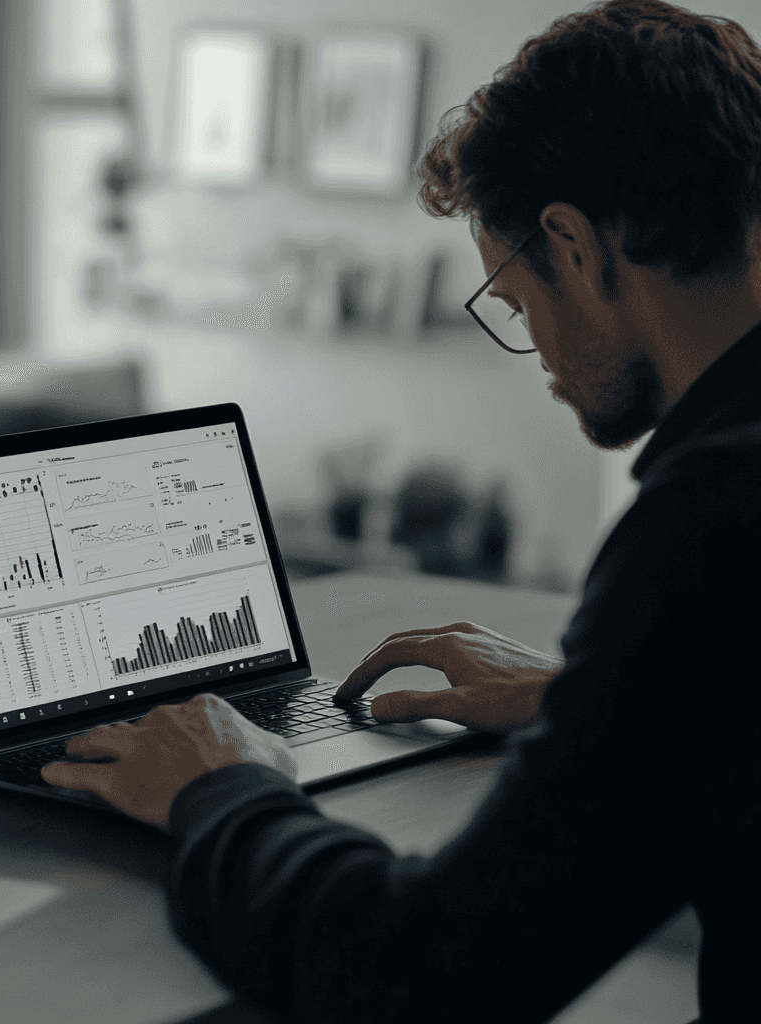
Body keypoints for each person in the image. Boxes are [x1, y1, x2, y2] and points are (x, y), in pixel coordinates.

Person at [42, 2, 761, 1020]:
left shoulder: (710, 525)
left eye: (516, 307)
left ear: (575, 245)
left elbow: (412, 977)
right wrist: (593, 701)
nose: (544, 363)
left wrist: (222, 784)